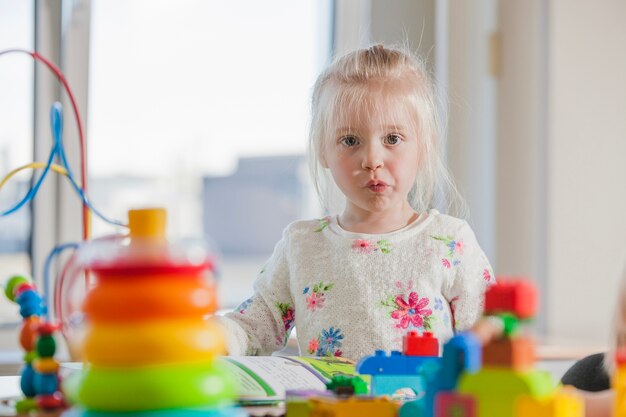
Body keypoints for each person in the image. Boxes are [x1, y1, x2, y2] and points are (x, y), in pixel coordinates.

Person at [217, 44, 494, 361]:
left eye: (392, 139)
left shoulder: (450, 241)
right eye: (350, 141)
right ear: (323, 150)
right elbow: (254, 325)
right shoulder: (302, 245)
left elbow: (488, 335)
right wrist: (209, 337)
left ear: (425, 146)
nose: (372, 159)